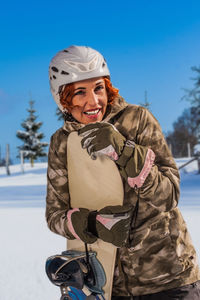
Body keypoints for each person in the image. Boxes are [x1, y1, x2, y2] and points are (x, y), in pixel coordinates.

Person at [46, 45, 200, 299]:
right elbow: (55, 215)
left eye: (98, 88)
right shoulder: (61, 143)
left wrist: (125, 151)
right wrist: (92, 224)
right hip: (108, 284)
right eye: (80, 92)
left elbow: (169, 194)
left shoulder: (137, 120)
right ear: (62, 97)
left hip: (168, 278)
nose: (93, 101)